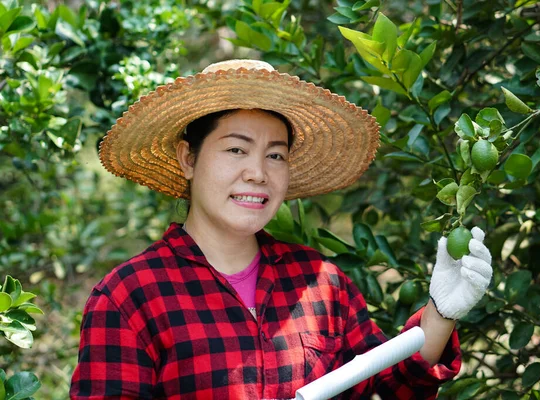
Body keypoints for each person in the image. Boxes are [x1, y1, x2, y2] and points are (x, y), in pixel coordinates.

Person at [70, 59, 493, 399]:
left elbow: (393, 384)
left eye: (275, 155)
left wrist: (440, 315)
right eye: (236, 149)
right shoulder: (129, 297)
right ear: (188, 158)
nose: (257, 173)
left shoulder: (322, 284)